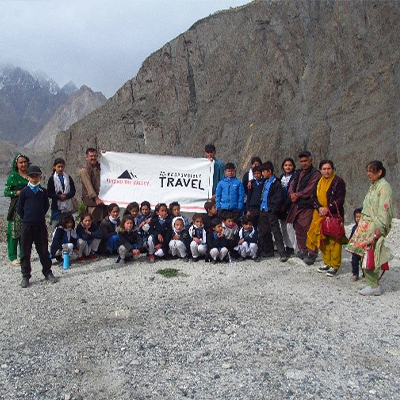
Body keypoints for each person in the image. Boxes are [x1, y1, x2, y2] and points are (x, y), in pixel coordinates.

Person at [346, 161, 393, 296]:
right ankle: (369, 281)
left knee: (371, 252)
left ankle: (373, 285)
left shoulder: (383, 187)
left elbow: (384, 209)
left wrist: (380, 227)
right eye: (368, 171)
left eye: (372, 171)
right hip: (367, 224)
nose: (369, 174)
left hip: (374, 225)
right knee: (365, 253)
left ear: (380, 172)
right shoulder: (374, 186)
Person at [17, 165, 58, 288]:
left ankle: (47, 272)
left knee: (43, 250)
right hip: (27, 225)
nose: (35, 178)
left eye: (37, 176)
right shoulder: (24, 192)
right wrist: (27, 218)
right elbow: (19, 209)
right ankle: (25, 276)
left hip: (40, 225)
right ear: (28, 177)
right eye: (32, 176)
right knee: (25, 251)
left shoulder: (43, 192)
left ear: (40, 176)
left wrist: (39, 217)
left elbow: (46, 207)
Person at [306, 160, 346, 275]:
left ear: (332, 169)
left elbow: (340, 199)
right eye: (324, 169)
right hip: (319, 215)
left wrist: (328, 209)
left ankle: (335, 265)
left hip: (333, 215)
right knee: (323, 239)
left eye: (329, 169)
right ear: (320, 170)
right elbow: (313, 197)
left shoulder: (338, 182)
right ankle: (327, 262)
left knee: (334, 240)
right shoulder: (318, 182)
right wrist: (319, 208)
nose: (326, 171)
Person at [286, 151, 321, 262]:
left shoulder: (315, 173)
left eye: (305, 161)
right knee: (298, 228)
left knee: (308, 229)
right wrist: (291, 194)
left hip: (308, 205)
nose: (304, 163)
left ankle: (312, 253)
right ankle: (302, 250)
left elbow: (310, 189)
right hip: (297, 205)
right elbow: (292, 184)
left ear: (311, 160)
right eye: (301, 161)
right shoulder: (298, 172)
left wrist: (297, 195)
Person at [258, 161, 288, 262]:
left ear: (269, 171)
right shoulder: (265, 182)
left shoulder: (276, 183)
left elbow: (278, 198)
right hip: (263, 209)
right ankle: (267, 251)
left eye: (264, 171)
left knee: (276, 231)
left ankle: (282, 252)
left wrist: (273, 209)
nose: (262, 174)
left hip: (271, 210)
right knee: (264, 231)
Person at [4, 154, 30, 266]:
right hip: (16, 208)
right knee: (14, 232)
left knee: (25, 232)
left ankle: (23, 254)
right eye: (21, 162)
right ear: (16, 164)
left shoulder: (31, 175)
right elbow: (6, 192)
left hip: (28, 208)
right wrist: (17, 193)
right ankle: (13, 256)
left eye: (25, 162)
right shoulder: (13, 177)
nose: (23, 164)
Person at [79, 148, 107, 223]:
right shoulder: (84, 170)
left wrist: (105, 156)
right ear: (87, 157)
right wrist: (96, 199)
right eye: (91, 156)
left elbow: (109, 165)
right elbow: (89, 187)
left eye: (95, 156)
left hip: (103, 203)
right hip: (92, 204)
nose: (93, 158)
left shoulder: (100, 167)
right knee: (92, 224)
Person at [47, 158, 76, 229]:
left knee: (68, 225)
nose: (60, 169)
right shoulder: (52, 179)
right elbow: (49, 193)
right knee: (56, 225)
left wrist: (66, 196)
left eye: (62, 167)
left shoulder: (68, 178)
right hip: (56, 207)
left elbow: (73, 191)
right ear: (54, 167)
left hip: (67, 206)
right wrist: (59, 197)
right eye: (58, 167)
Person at [278, 158, 297, 256]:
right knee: (284, 227)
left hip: (290, 206)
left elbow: (293, 192)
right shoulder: (281, 177)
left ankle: (293, 247)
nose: (288, 167)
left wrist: (286, 204)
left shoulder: (295, 177)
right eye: (286, 165)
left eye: (290, 165)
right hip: (281, 206)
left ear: (293, 166)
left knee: (291, 228)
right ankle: (287, 246)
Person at [349, 208, 363, 281]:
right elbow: (351, 237)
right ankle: (355, 274)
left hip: (363, 249)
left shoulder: (365, 228)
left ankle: (365, 275)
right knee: (354, 262)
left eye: (360, 217)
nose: (358, 219)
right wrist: (350, 245)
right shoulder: (354, 227)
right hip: (355, 248)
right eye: (356, 217)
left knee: (363, 263)